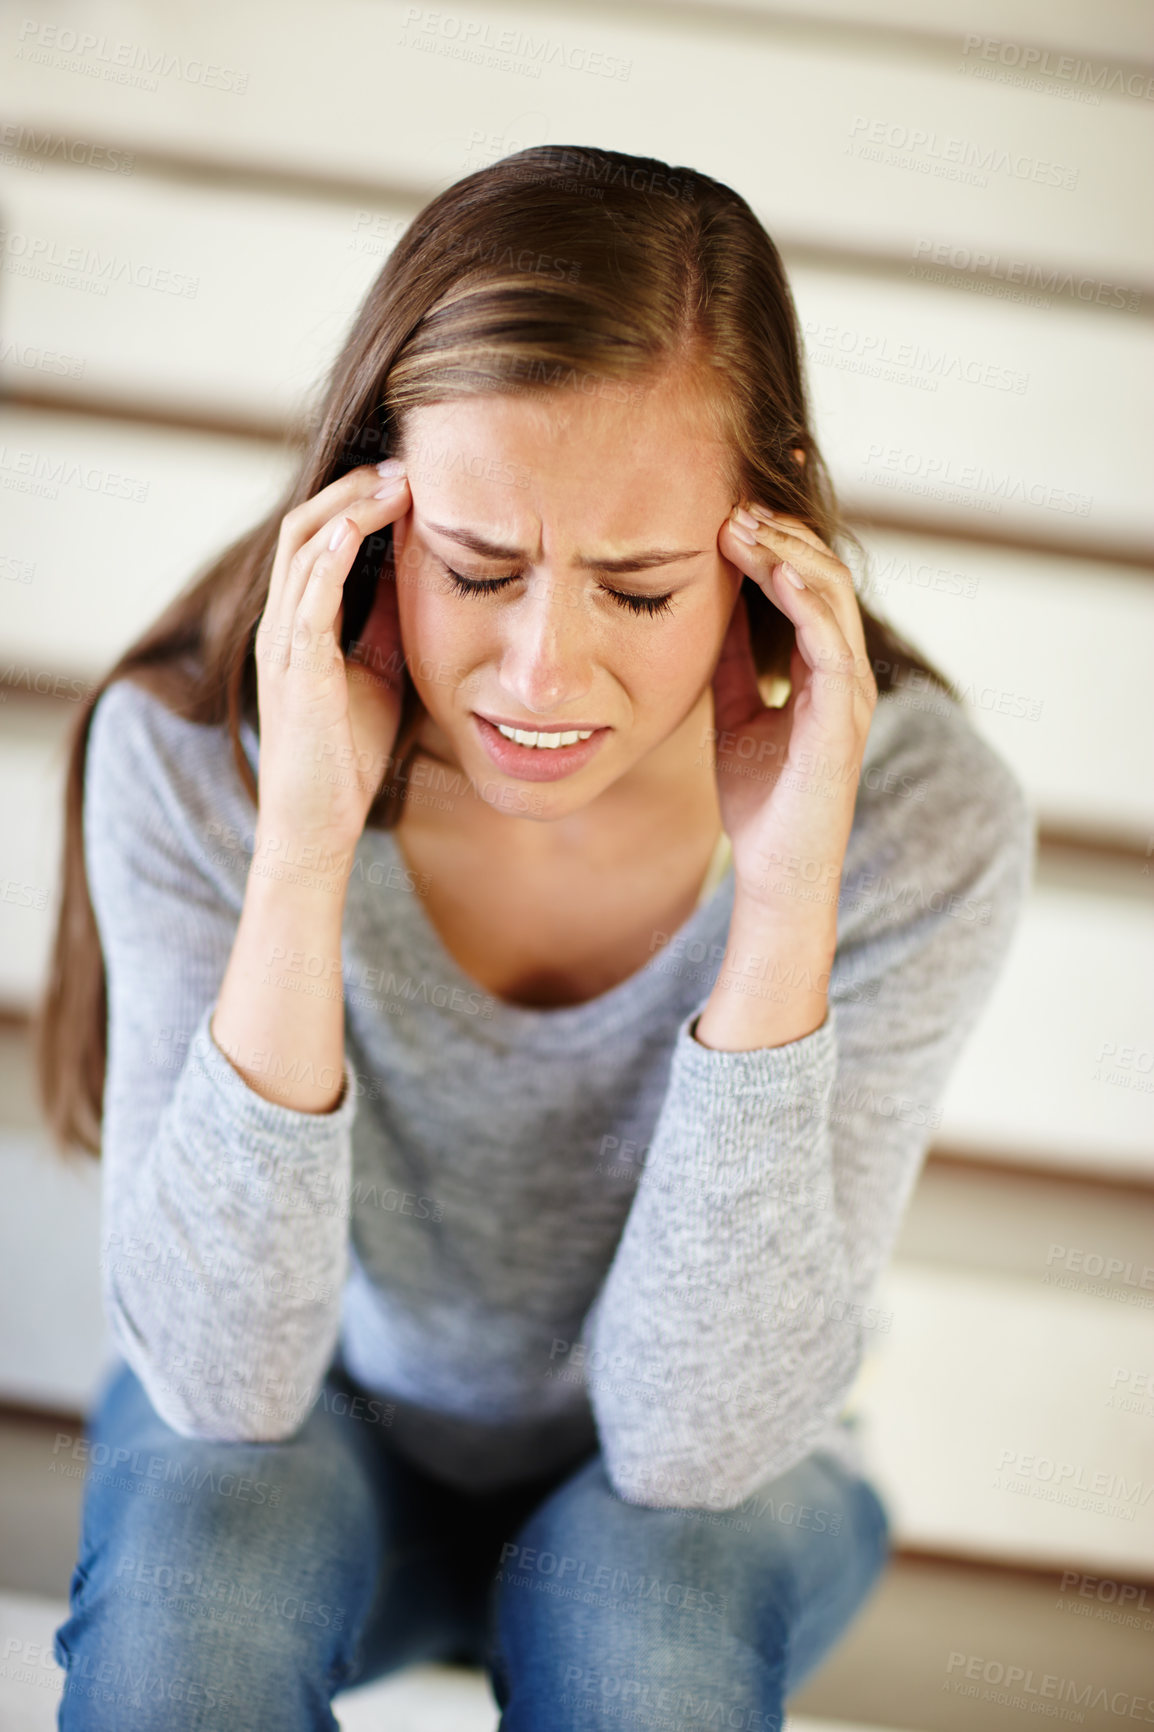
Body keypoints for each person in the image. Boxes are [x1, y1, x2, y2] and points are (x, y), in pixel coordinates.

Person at [37, 145, 1034, 1729]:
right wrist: (302, 845)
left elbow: (692, 1451)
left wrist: (779, 895)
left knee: (646, 1628)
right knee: (192, 1595)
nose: (540, 674)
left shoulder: (915, 817)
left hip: (695, 1496)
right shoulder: (196, 752)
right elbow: (225, 1391)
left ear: (763, 529)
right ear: (371, 505)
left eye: (636, 591)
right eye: (476, 569)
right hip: (310, 1438)